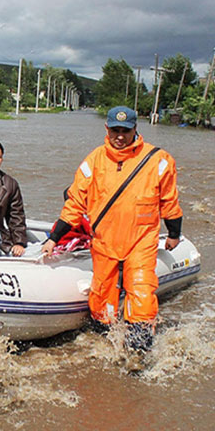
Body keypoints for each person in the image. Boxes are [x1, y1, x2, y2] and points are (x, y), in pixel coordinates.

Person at [42, 106, 182, 352]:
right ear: (106, 129)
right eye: (115, 130)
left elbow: (169, 201)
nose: (120, 136)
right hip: (104, 242)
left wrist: (173, 234)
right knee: (101, 298)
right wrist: (54, 238)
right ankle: (104, 345)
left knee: (141, 292)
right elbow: (75, 202)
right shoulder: (93, 161)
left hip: (141, 240)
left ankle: (137, 352)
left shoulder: (159, 161)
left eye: (125, 131)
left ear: (135, 130)